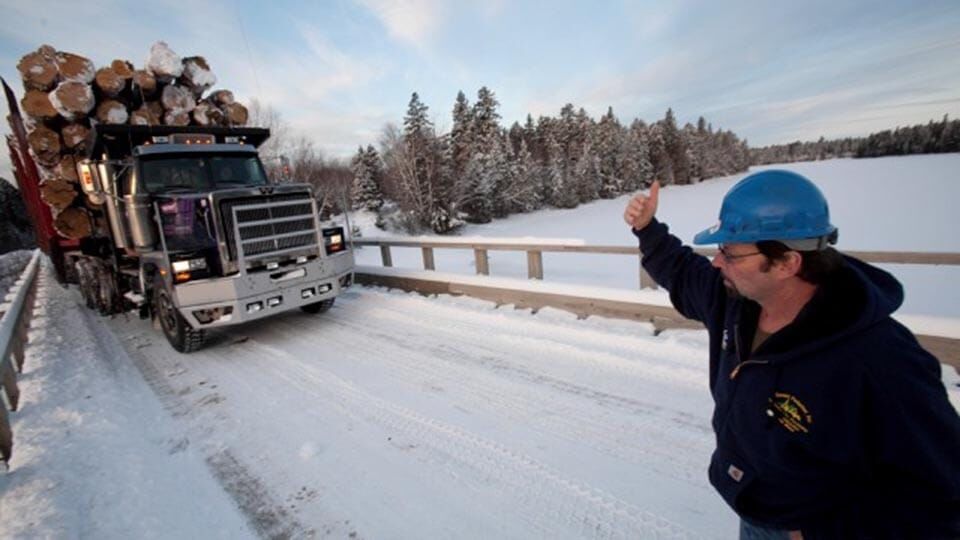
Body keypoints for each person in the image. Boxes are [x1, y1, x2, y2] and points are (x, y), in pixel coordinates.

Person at [623, 170, 960, 539]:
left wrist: (821, 532)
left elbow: (938, 494)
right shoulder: (738, 303)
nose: (717, 262)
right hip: (756, 513)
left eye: (730, 253)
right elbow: (684, 272)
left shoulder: (881, 360)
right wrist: (647, 228)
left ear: (787, 262)